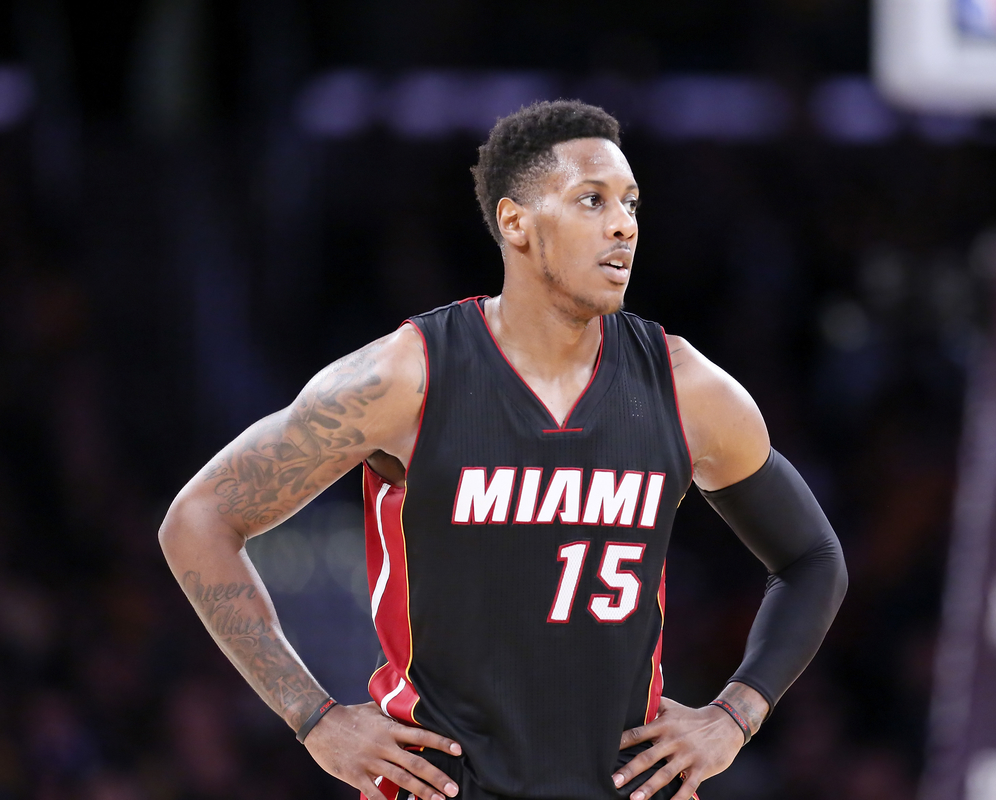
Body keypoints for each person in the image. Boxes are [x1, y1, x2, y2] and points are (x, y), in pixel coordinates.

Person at [159, 100, 847, 800]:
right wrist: (315, 718)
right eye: (592, 200)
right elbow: (198, 519)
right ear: (515, 222)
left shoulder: (686, 388)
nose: (623, 224)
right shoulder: (406, 377)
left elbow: (813, 559)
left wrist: (735, 715)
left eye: (631, 203)